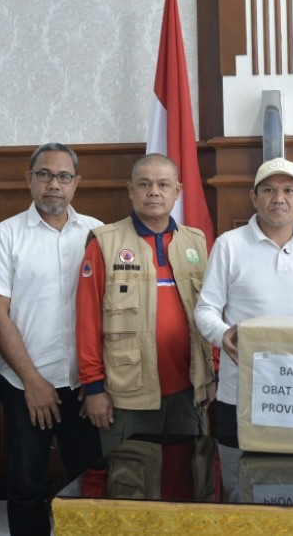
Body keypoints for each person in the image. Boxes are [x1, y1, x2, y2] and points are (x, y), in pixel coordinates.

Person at [0, 143, 104, 536]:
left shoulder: (97, 233)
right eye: (45, 175)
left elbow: (111, 311)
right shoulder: (6, 235)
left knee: (89, 483)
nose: (54, 184)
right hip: (24, 383)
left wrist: (97, 380)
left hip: (83, 383)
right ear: (30, 179)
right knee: (26, 485)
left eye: (63, 176)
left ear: (76, 182)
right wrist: (33, 381)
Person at [194, 158, 293, 445]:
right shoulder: (229, 245)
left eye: (289, 191)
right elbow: (206, 308)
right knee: (236, 469)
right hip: (241, 391)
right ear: (254, 198)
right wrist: (223, 334)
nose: (279, 198)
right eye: (269, 190)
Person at [76, 153, 214, 455]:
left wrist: (212, 373)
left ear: (177, 191)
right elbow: (87, 321)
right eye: (144, 184)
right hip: (127, 396)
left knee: (185, 478)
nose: (154, 192)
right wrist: (94, 387)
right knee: (131, 478)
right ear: (131, 190)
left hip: (188, 393)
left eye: (163, 184)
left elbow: (211, 313)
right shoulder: (105, 243)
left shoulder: (196, 242)